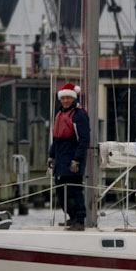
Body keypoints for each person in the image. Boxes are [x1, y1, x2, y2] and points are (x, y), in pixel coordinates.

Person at [48, 84, 91, 230]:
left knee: (74, 191)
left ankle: (80, 220)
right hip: (60, 159)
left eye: (68, 98)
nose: (66, 100)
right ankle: (71, 217)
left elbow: (84, 140)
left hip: (73, 160)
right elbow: (56, 139)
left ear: (74, 98)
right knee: (61, 192)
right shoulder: (59, 114)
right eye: (63, 98)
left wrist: (77, 160)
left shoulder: (79, 115)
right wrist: (51, 156)